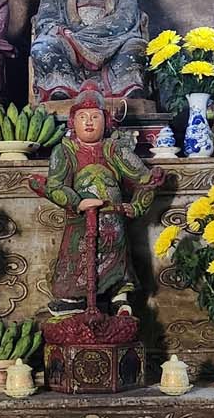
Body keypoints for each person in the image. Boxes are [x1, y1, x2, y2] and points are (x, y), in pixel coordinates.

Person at [31, 83, 165, 315]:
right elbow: (55, 186)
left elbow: (145, 179)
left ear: (106, 120)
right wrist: (78, 203)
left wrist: (136, 206)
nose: (89, 122)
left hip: (113, 219)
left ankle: (119, 297)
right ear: (73, 121)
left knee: (117, 259)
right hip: (80, 221)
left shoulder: (115, 150)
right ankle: (74, 299)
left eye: (95, 116)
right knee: (76, 256)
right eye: (83, 117)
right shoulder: (64, 151)